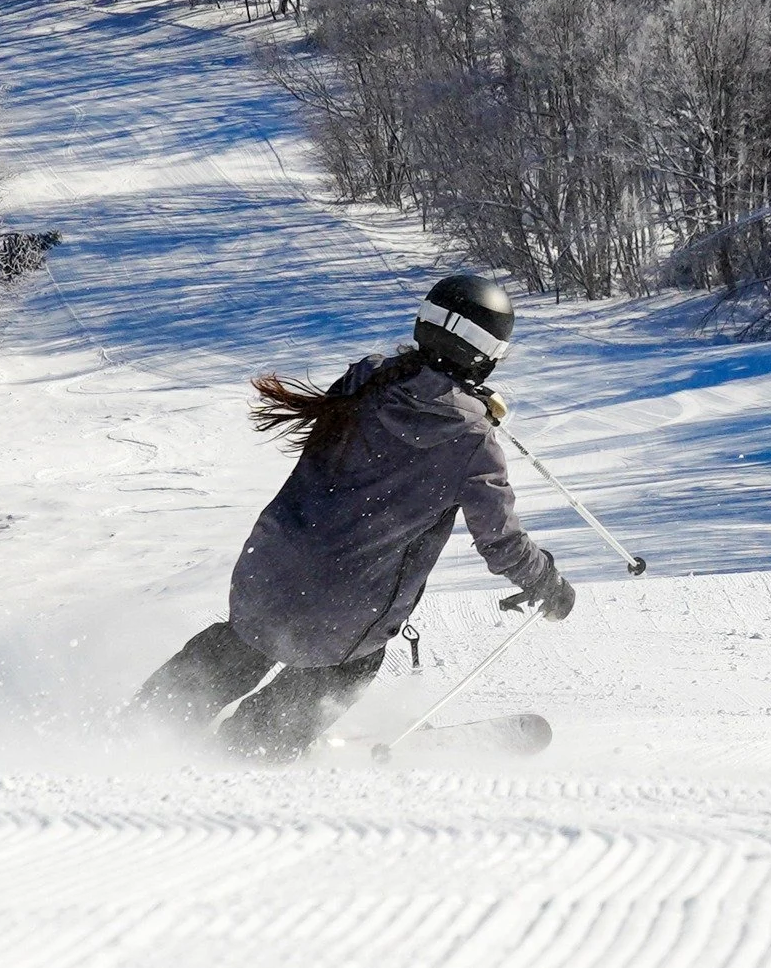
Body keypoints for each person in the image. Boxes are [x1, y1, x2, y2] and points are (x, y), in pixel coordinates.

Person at [127, 271, 575, 761]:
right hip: (346, 612)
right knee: (344, 666)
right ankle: (244, 752)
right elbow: (501, 541)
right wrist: (544, 582)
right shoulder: (471, 442)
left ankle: (136, 731)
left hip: (269, 570)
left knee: (244, 643)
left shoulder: (368, 377)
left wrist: (466, 403)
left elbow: (407, 398)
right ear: (484, 353)